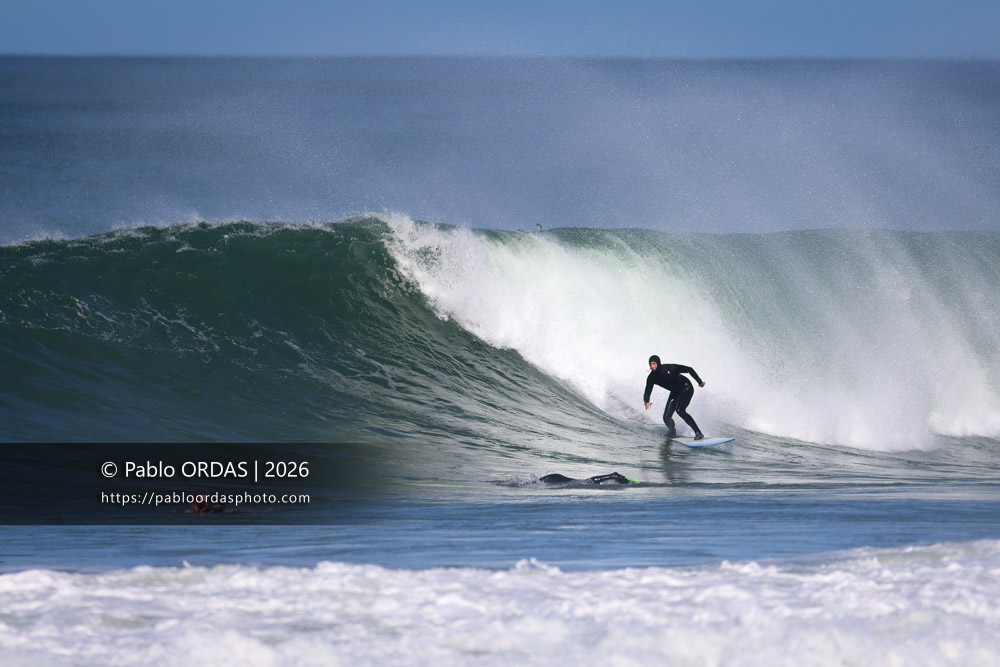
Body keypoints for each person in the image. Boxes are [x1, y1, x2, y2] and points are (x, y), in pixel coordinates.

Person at [643, 355, 705, 440]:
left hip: (686, 388)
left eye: (654, 364)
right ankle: (672, 432)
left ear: (658, 363)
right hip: (675, 391)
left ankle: (698, 433)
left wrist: (699, 382)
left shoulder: (670, 368)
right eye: (650, 364)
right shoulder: (651, 377)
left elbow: (689, 369)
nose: (652, 366)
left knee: (680, 410)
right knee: (666, 417)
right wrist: (646, 401)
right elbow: (647, 391)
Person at [539, 472, 637, 485]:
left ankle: (612, 476)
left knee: (586, 482)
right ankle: (612, 476)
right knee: (585, 482)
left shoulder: (538, 484)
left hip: (553, 478)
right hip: (553, 477)